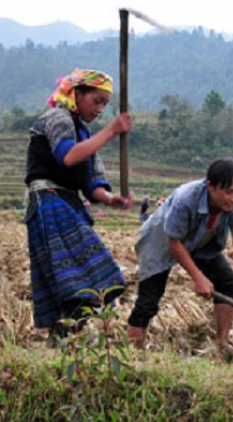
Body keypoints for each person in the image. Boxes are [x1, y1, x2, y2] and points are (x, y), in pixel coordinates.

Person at [24, 69, 134, 341]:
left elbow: (92, 185)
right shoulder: (57, 118)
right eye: (96, 101)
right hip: (49, 201)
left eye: (105, 105)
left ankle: (65, 336)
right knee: (77, 279)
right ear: (76, 94)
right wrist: (111, 131)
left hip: (69, 204)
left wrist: (111, 199)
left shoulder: (86, 134)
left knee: (90, 282)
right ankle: (64, 336)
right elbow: (69, 157)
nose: (100, 109)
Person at [126, 158, 233, 356]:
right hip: (160, 241)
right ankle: (133, 354)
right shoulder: (185, 199)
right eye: (228, 191)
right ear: (210, 186)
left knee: (227, 282)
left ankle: (222, 342)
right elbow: (174, 242)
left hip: (201, 244)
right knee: (148, 301)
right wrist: (198, 278)